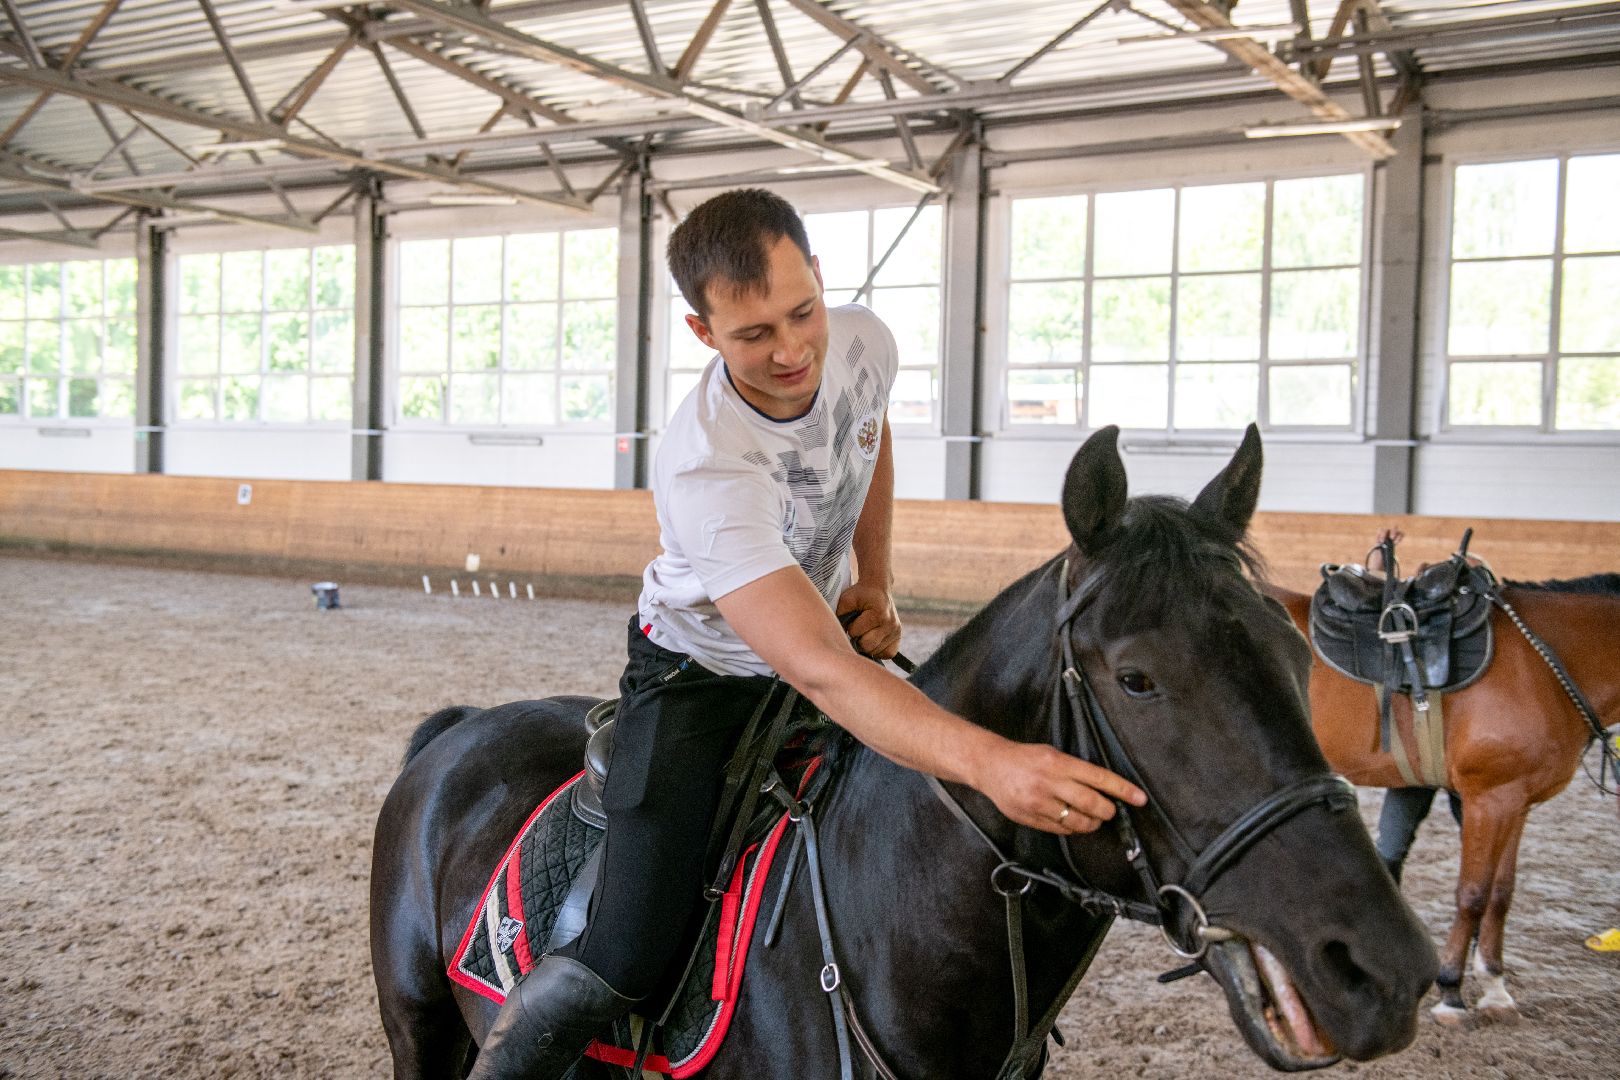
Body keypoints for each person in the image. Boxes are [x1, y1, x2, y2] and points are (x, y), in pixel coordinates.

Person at [465, 189, 1147, 1079]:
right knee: (624, 952)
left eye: (802, 312)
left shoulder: (863, 340)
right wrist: (990, 760)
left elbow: (870, 429)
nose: (791, 351)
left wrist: (875, 576)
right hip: (700, 675)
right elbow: (823, 673)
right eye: (753, 335)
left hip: (820, 631)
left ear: (821, 280)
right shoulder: (708, 463)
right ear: (703, 332)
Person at [1364, 527, 1463, 885]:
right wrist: (1378, 558)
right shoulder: (1402, 623)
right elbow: (1372, 590)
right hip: (1419, 757)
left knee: (1392, 846)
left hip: (1442, 756)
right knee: (1389, 848)